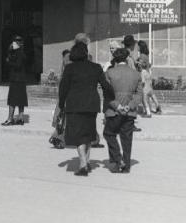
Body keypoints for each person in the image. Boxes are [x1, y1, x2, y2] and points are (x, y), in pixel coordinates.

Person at [58, 41, 113, 176]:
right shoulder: (96, 67)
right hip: (91, 104)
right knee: (88, 133)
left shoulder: (70, 68)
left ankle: (83, 164)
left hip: (74, 104)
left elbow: (63, 88)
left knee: (78, 135)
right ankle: (86, 161)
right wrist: (110, 99)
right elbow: (105, 86)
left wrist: (61, 104)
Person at [103, 48, 143, 173]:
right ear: (126, 59)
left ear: (115, 59)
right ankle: (126, 165)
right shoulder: (136, 74)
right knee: (127, 138)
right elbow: (139, 95)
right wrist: (130, 105)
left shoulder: (109, 73)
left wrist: (117, 106)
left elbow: (107, 94)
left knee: (109, 134)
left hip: (113, 111)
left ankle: (116, 160)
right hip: (129, 111)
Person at [1, 35, 28, 126]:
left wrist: (9, 61)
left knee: (12, 99)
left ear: (18, 43)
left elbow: (18, 65)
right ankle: (20, 118)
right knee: (20, 99)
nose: (13, 43)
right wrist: (10, 52)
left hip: (16, 79)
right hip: (21, 79)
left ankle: (10, 119)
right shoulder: (19, 52)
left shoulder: (19, 53)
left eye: (15, 42)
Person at [49, 49, 71, 149]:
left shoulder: (65, 66)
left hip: (64, 95)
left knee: (62, 117)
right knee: (63, 118)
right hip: (67, 95)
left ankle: (57, 137)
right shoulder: (69, 64)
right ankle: (58, 138)